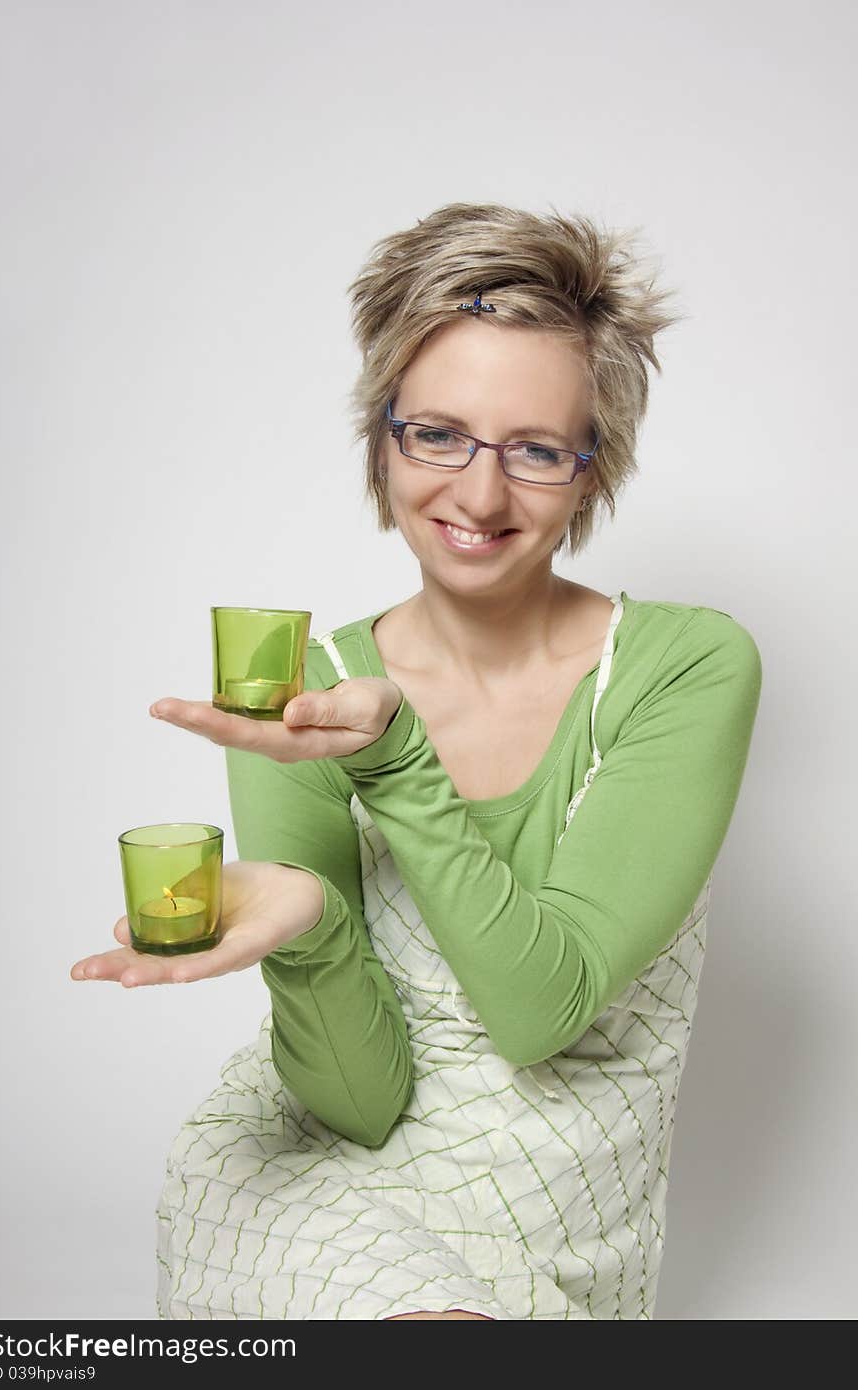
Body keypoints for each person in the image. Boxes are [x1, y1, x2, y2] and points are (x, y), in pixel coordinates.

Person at [71, 202, 763, 1320]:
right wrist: (308, 926)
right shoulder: (303, 685)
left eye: (535, 450)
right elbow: (359, 1099)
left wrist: (396, 764)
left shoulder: (685, 666)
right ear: (380, 433)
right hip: (311, 1178)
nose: (478, 497)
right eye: (435, 434)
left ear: (593, 470)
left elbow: (543, 1012)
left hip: (552, 1203)